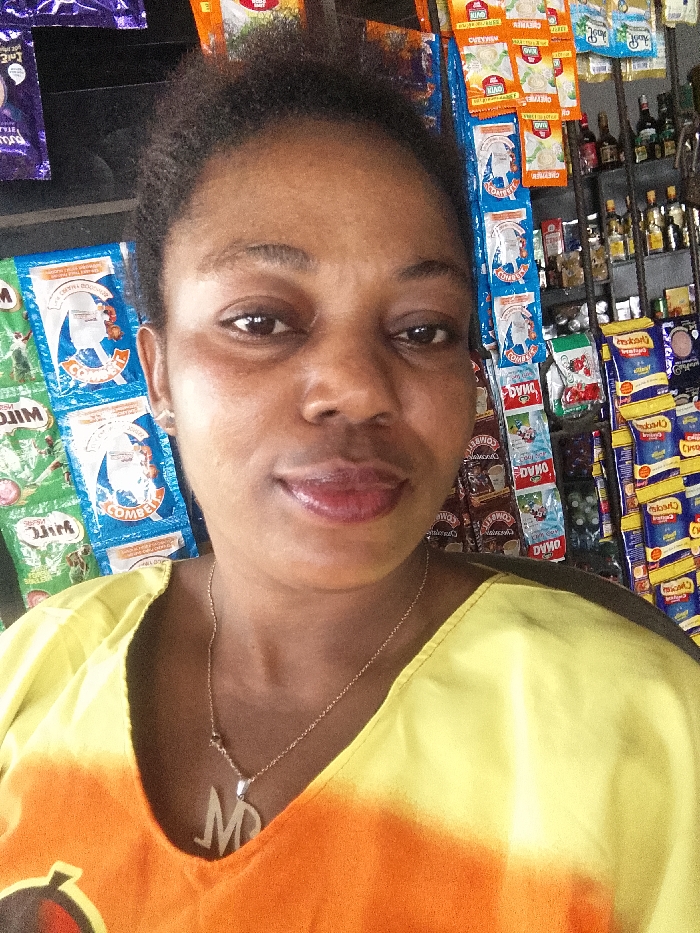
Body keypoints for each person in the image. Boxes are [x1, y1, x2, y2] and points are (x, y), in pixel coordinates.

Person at [1, 20, 700, 933]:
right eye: (261, 321)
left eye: (422, 329)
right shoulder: (34, 672)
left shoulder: (645, 737)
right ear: (160, 375)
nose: (359, 388)